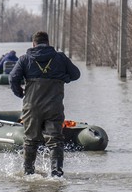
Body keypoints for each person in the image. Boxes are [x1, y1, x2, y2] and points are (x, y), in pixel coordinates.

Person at [9, 30, 81, 176]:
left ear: (33, 43)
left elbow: (13, 78)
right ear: (48, 42)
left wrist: (20, 93)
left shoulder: (24, 59)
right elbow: (76, 74)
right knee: (55, 141)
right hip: (54, 106)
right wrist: (63, 77)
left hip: (32, 106)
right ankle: (56, 174)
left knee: (30, 140)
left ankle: (28, 173)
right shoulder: (60, 57)